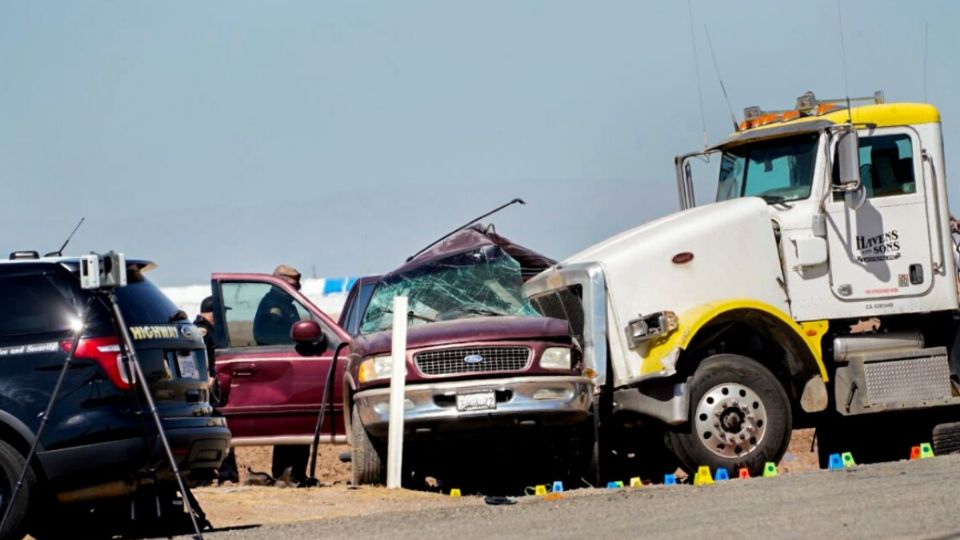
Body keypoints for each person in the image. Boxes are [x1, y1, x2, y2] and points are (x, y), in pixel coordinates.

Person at [253, 265, 303, 345]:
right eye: (294, 286)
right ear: (282, 286)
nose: (297, 290)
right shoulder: (272, 305)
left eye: (297, 287)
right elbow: (271, 339)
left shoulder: (286, 305)